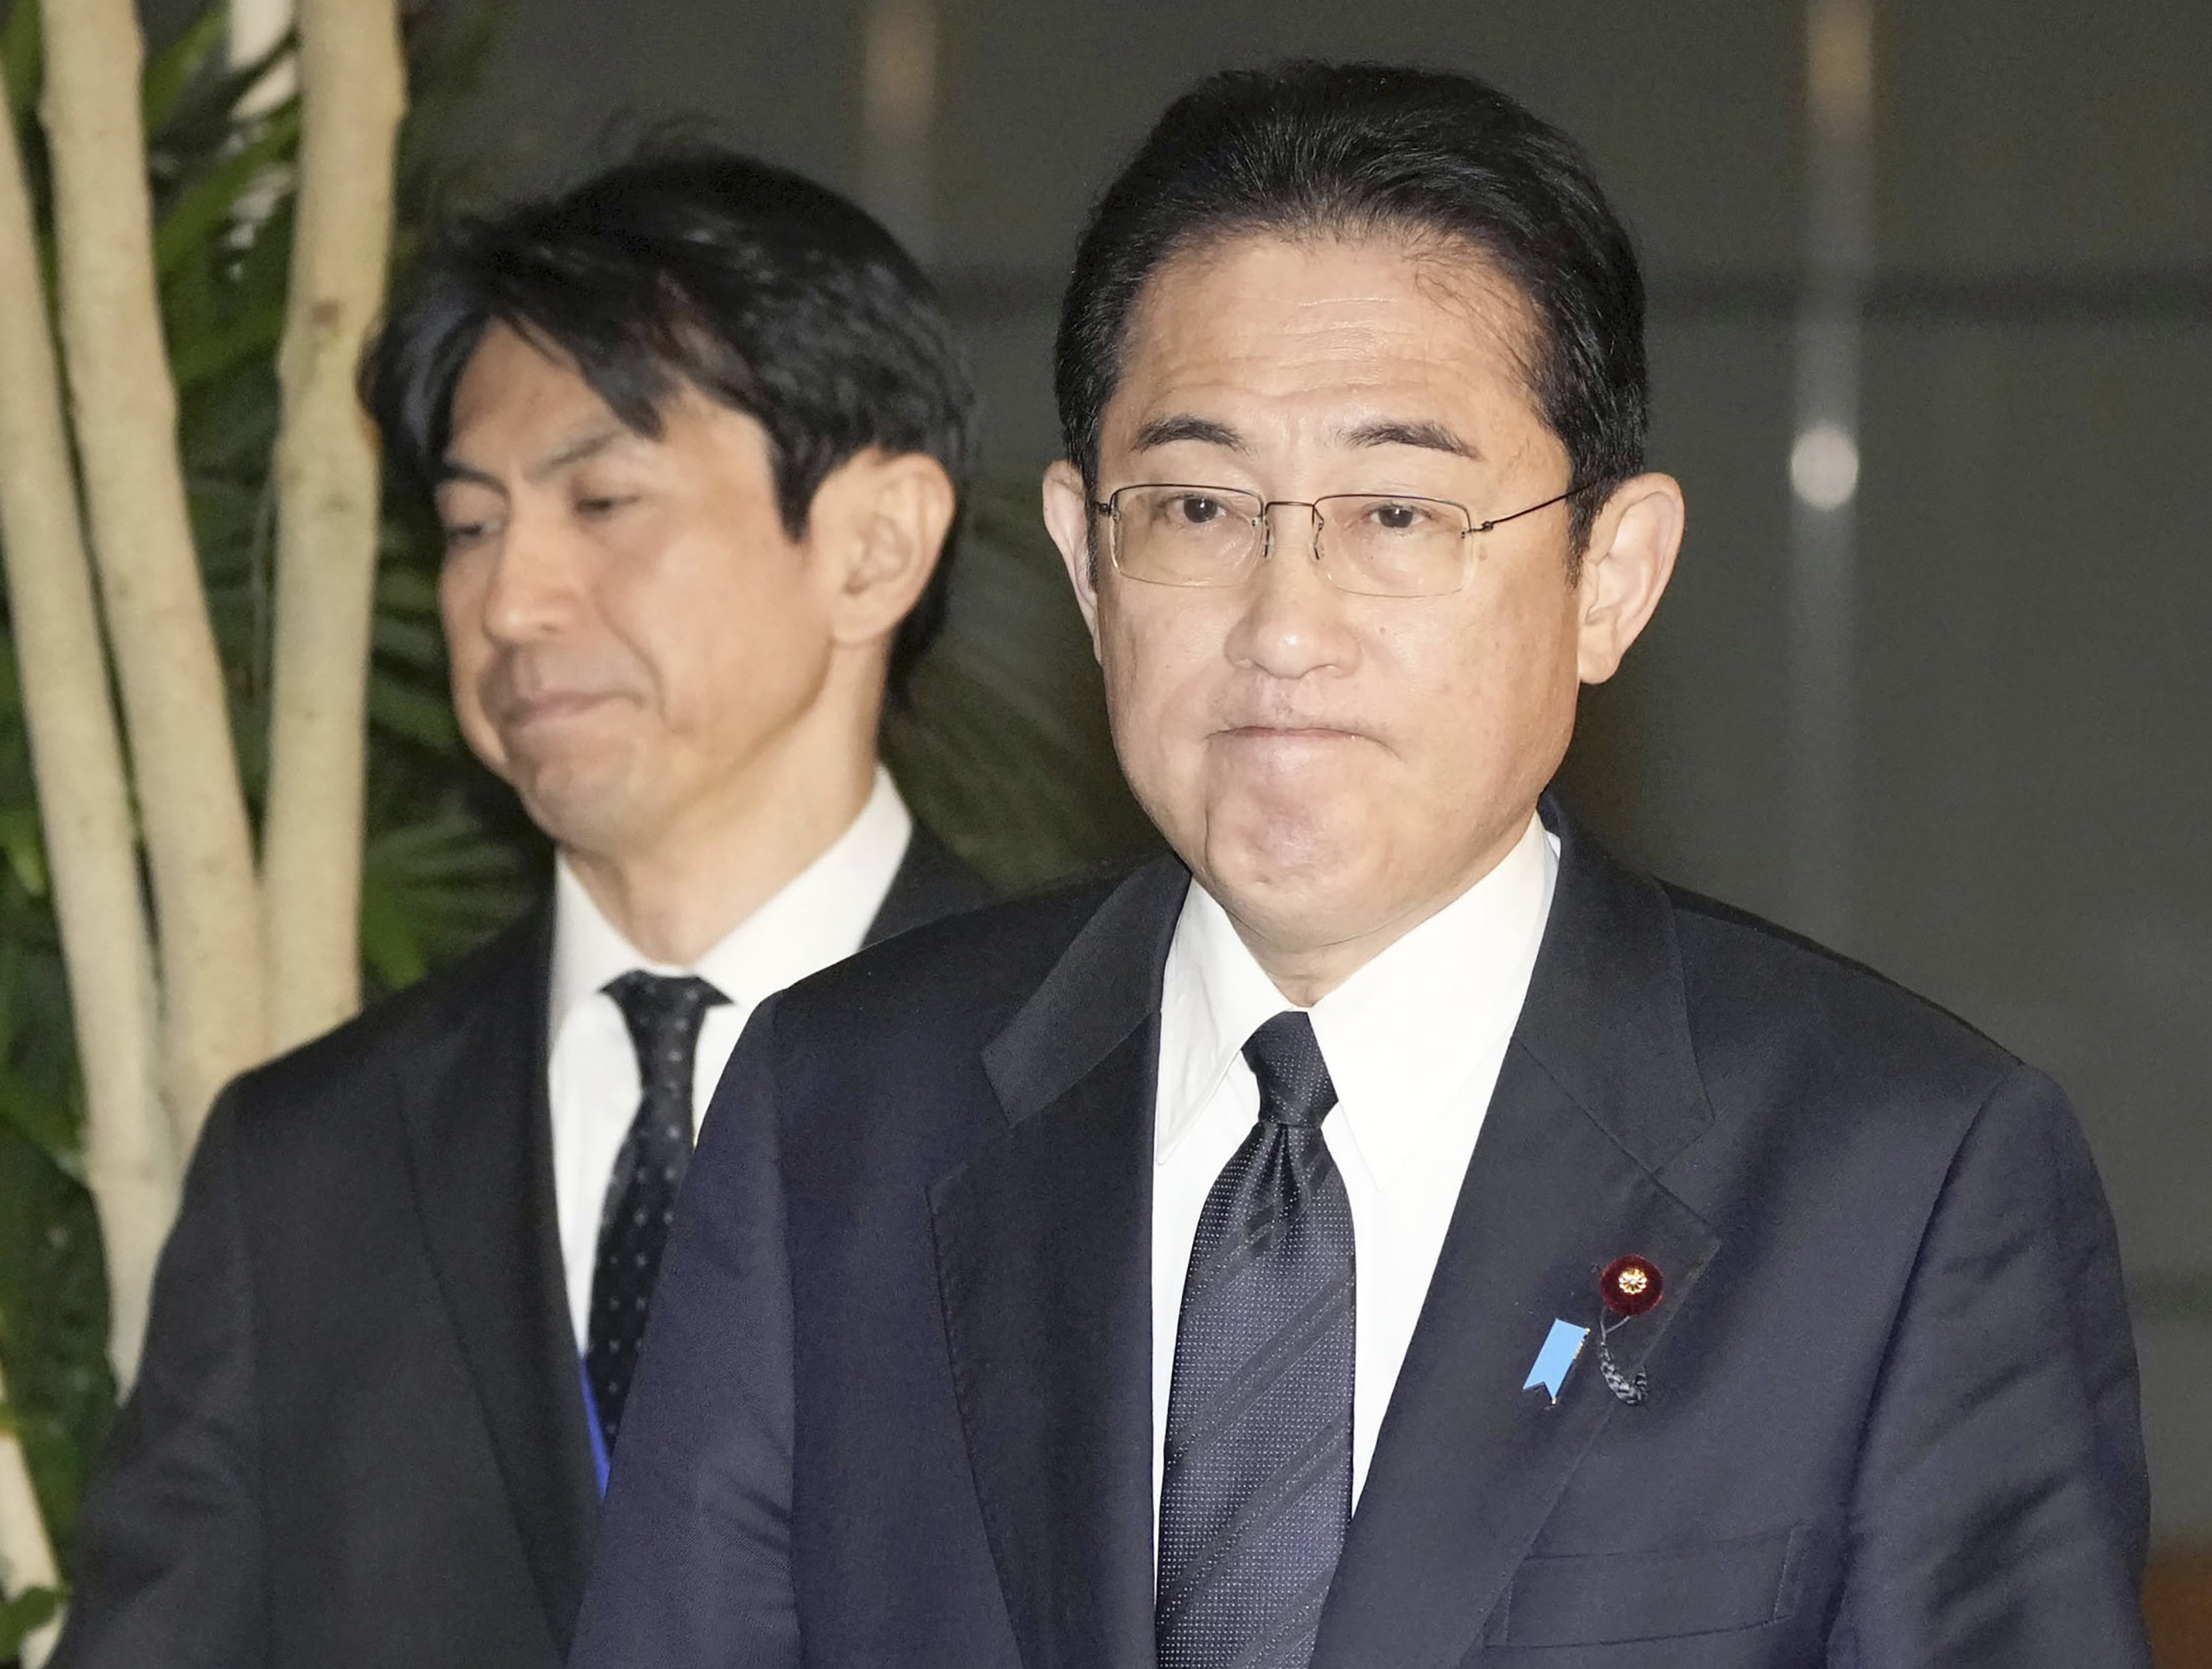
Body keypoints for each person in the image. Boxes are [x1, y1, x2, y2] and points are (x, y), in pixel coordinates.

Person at [571, 63, 2150, 1669]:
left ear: (1612, 577)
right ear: (1087, 563)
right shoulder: (837, 1120)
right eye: (1199, 507)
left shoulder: (1900, 1182)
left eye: (1398, 513)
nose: (1284, 627)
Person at [48, 150, 990, 1669]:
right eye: (472, 524)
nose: (508, 601)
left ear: (873, 546)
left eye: (603, 499)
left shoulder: (1115, 1080)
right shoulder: (307, 1165)